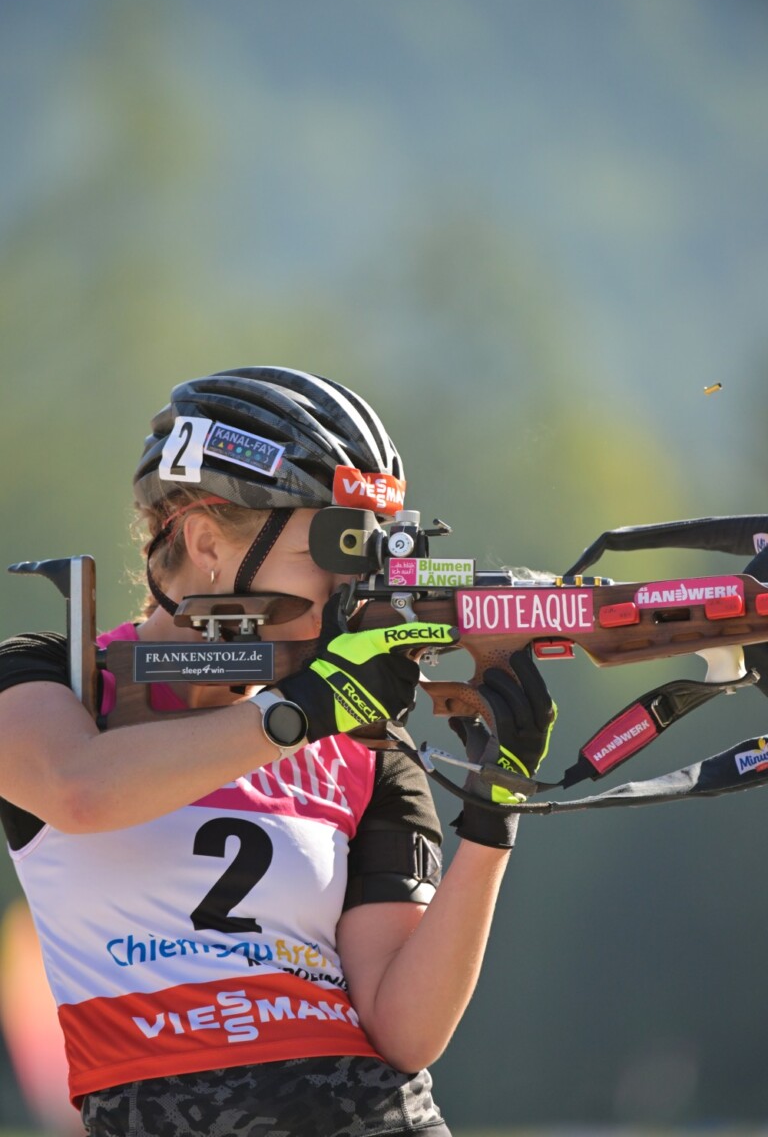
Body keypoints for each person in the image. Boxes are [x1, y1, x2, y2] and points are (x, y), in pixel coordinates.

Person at [0, 367, 556, 1137]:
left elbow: (405, 1031)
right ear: (206, 542)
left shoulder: (366, 740)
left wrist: (495, 817)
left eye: (371, 549)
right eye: (332, 544)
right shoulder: (51, 680)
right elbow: (78, 791)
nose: (353, 584)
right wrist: (299, 713)